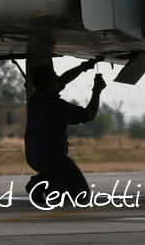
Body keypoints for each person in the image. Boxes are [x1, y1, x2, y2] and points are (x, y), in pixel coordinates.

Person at [24, 57, 105, 199]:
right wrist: (97, 91)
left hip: (34, 157)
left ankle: (44, 181)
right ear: (51, 84)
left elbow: (63, 80)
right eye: (55, 77)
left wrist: (83, 67)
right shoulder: (55, 106)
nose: (58, 78)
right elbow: (88, 115)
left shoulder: (36, 98)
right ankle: (42, 186)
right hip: (54, 160)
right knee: (81, 194)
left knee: (61, 178)